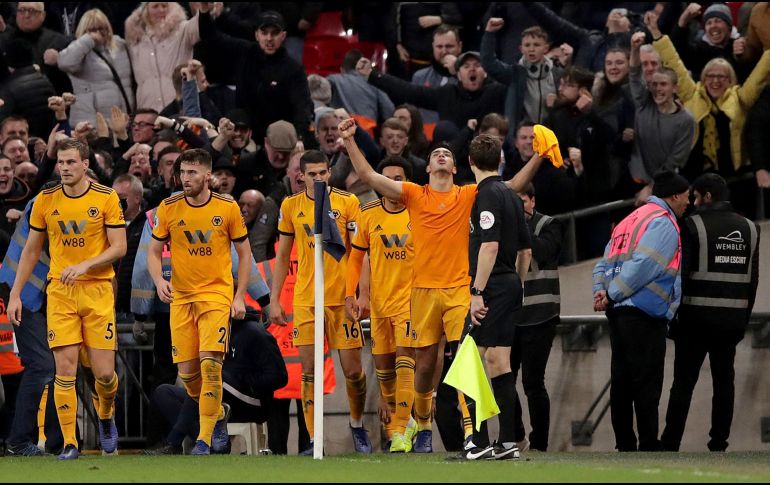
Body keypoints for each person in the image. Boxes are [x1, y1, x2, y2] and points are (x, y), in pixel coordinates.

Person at [339, 117, 548, 453]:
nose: (440, 155)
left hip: (456, 291)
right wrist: (349, 142)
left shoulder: (468, 195)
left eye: (446, 155)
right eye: (435, 153)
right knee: (425, 365)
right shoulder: (413, 194)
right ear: (428, 168)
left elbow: (508, 185)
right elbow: (367, 177)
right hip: (420, 291)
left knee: (466, 359)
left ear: (455, 167)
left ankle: (473, 433)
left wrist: (539, 157)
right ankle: (421, 418)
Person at [6, 139, 127, 460]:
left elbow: (119, 247)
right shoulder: (46, 200)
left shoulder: (106, 198)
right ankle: (70, 443)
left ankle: (105, 416)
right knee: (64, 369)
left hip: (98, 290)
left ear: (86, 164)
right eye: (61, 163)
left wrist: (85, 265)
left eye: (71, 162)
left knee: (103, 374)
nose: (64, 168)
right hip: (60, 291)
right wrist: (15, 294)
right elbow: (31, 250)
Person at [147, 148, 252, 455]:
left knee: (210, 365)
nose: (185, 178)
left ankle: (204, 439)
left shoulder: (227, 208)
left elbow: (245, 254)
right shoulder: (168, 208)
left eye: (192, 172)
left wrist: (240, 296)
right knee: (189, 372)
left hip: (215, 297)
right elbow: (153, 252)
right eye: (182, 172)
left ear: (208, 176)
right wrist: (158, 280)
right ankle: (217, 413)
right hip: (181, 299)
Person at [269, 150, 371, 455]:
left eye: (323, 173)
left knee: (353, 371)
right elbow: (283, 255)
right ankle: (314, 439)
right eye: (311, 174)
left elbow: (359, 252)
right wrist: (275, 300)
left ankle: (355, 423)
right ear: (301, 176)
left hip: (342, 299)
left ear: (329, 173)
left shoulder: (347, 203)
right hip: (306, 300)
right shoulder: (290, 206)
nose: (318, 178)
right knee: (309, 371)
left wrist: (359, 293)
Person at [661, 173, 760, 452]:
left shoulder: (691, 225)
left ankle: (670, 442)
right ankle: (719, 442)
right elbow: (753, 280)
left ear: (706, 196)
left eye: (694, 197)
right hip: (731, 321)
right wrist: (742, 318)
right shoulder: (751, 228)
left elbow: (682, 274)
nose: (691, 202)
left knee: (682, 383)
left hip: (695, 319)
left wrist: (675, 316)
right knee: (724, 383)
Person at [592, 170, 690, 452]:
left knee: (621, 381)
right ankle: (648, 444)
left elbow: (602, 264)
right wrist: (610, 294)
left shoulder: (629, 219)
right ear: (673, 196)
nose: (688, 202)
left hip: (618, 312)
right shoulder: (663, 223)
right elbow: (646, 265)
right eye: (685, 196)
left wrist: (602, 293)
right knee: (647, 383)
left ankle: (625, 444)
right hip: (644, 312)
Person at [459, 134, 532, 461]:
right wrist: (515, 285)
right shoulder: (512, 195)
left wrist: (478, 291)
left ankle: (481, 442)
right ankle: (505, 441)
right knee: (495, 361)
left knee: (469, 358)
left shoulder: (486, 195)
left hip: (490, 288)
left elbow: (489, 246)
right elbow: (525, 251)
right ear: (500, 160)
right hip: (508, 286)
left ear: (470, 162)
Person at [346, 156, 419, 453]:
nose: (390, 184)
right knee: (384, 370)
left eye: (397, 178)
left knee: (405, 359)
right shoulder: (368, 213)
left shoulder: (420, 210)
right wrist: (355, 295)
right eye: (385, 178)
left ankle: (401, 427)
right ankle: (401, 428)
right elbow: (357, 256)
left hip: (412, 301)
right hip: (380, 303)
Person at [512, 183, 562, 452]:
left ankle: (540, 444)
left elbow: (544, 252)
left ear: (533, 200)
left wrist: (521, 228)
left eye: (523, 202)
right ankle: (515, 435)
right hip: (510, 315)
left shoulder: (549, 224)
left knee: (533, 381)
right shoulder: (502, 227)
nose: (519, 208)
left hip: (541, 315)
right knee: (503, 379)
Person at [628, 31, 695, 198]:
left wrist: (651, 188)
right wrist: (634, 49)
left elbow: (673, 162)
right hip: (634, 182)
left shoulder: (686, 120)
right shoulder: (644, 103)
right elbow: (635, 75)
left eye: (663, 84)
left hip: (666, 187)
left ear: (674, 88)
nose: (658, 89)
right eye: (655, 84)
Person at [56, 8, 134, 126]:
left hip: (123, 118)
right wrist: (88, 40)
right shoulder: (79, 49)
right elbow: (65, 63)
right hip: (92, 121)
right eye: (92, 30)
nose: (98, 33)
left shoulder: (120, 46)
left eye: (102, 28)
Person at [124, 2, 200, 112]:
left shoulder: (182, 29)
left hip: (181, 105)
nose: (161, 10)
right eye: (155, 6)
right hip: (149, 108)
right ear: (146, 10)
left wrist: (201, 11)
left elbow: (201, 28)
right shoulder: (135, 40)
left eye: (164, 6)